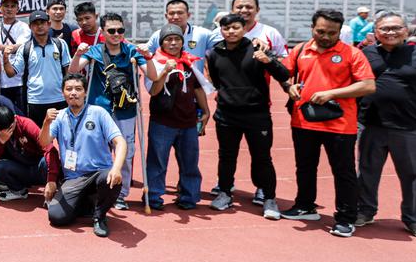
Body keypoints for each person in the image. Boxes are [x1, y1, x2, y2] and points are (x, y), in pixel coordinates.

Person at [280, 9, 376, 237]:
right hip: (304, 121)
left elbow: (368, 85)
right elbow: (284, 73)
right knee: (304, 167)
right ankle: (305, 205)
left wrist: (332, 93)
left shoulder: (352, 54)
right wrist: (288, 86)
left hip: (340, 125)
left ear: (340, 31)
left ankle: (345, 218)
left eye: (331, 33)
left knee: (343, 172)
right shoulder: (301, 49)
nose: (325, 36)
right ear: (312, 28)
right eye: (320, 31)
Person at [354, 12, 416, 240]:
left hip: (409, 127)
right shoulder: (366, 53)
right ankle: (365, 211)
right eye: (385, 29)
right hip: (371, 125)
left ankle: (413, 220)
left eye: (395, 28)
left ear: (406, 30)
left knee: (412, 176)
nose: (390, 32)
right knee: (366, 172)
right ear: (376, 32)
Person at [203, 14, 290, 218]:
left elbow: (284, 75)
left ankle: (269, 198)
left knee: (262, 158)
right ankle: (224, 193)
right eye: (226, 28)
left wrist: (268, 61)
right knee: (226, 156)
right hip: (226, 114)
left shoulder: (258, 49)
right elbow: (217, 81)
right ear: (221, 30)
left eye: (235, 27)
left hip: (256, 114)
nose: (231, 32)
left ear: (244, 28)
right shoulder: (214, 54)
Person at [71, 13, 147, 210]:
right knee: (96, 150)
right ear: (103, 32)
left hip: (126, 110)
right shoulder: (95, 51)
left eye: (120, 30)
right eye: (111, 31)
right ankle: (97, 189)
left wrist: (147, 57)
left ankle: (120, 194)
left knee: (126, 152)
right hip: (100, 110)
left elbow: (152, 75)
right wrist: (79, 54)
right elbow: (73, 71)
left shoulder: (131, 51)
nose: (116, 34)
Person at [40, 74, 128, 238]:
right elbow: (44, 142)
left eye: (78, 89)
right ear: (63, 93)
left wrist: (116, 168)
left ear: (85, 92)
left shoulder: (98, 113)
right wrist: (46, 123)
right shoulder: (59, 117)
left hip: (99, 172)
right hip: (73, 177)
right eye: (69, 89)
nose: (73, 93)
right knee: (57, 217)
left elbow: (120, 142)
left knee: (111, 179)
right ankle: (86, 203)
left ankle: (99, 216)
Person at [144, 24, 211, 210]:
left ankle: (189, 197)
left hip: (188, 121)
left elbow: (197, 87)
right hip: (163, 122)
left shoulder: (188, 60)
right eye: (168, 39)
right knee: (157, 162)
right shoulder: (154, 62)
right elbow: (153, 91)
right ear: (161, 42)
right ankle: (154, 197)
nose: (173, 43)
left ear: (182, 42)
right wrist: (165, 71)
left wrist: (206, 111)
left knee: (190, 162)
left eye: (177, 39)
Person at [5, 10, 71, 125]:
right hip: (34, 101)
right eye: (35, 23)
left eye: (42, 22)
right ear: (30, 27)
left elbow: (68, 72)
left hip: (59, 99)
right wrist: (5, 59)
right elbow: (11, 73)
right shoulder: (25, 48)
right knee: (38, 138)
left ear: (49, 24)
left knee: (60, 137)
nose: (39, 26)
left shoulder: (60, 44)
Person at [0, 104, 56, 202]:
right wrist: (1, 142)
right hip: (21, 169)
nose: (8, 131)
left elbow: (49, 148)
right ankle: (18, 191)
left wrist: (51, 179)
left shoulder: (26, 123)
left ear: (14, 119)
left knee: (47, 160)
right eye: (3, 130)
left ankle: (52, 191)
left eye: (10, 127)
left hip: (39, 167)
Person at [207, 0, 288, 61]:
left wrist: (267, 60)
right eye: (239, 7)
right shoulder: (218, 32)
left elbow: (284, 57)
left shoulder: (271, 32)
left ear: (257, 10)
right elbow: (207, 57)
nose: (244, 10)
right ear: (232, 10)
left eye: (249, 7)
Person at [0, 0, 29, 107]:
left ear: (17, 9)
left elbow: (22, 48)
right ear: (0, 8)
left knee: (21, 115)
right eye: (6, 6)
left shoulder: (23, 27)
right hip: (0, 82)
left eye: (12, 6)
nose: (9, 9)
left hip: (20, 80)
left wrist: (1, 47)